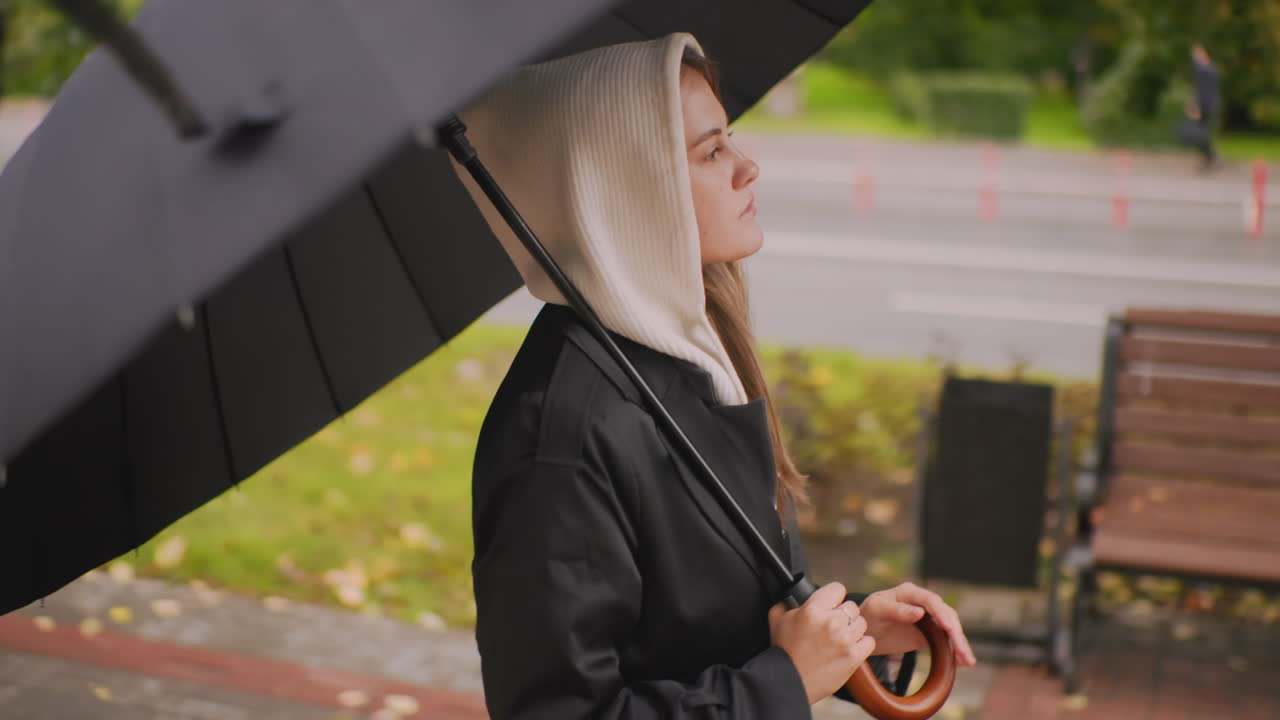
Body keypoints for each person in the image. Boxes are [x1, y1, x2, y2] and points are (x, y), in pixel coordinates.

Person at [454, 33, 976, 719]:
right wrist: (784, 681)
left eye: (730, 138)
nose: (747, 167)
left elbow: (701, 621)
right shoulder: (563, 437)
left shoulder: (688, 352)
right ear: (632, 192)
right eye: (711, 152)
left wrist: (849, 636)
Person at [1186, 43, 1221, 171]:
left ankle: (1210, 159)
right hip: (1208, 105)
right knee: (1202, 133)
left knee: (1202, 133)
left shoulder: (1204, 70)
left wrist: (1196, 106)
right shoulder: (1207, 69)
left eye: (1197, 52)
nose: (1194, 55)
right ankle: (1209, 159)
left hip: (1206, 106)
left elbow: (1203, 91)